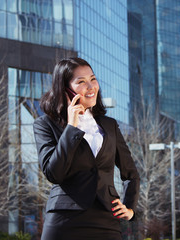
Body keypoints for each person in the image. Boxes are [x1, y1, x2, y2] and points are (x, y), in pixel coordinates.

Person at [33, 57, 140, 240]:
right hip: (64, 219)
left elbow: (130, 173)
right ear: (65, 89)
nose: (91, 87)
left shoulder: (109, 125)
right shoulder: (45, 124)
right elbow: (54, 173)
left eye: (93, 79)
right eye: (81, 82)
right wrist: (71, 128)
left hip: (107, 218)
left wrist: (130, 208)